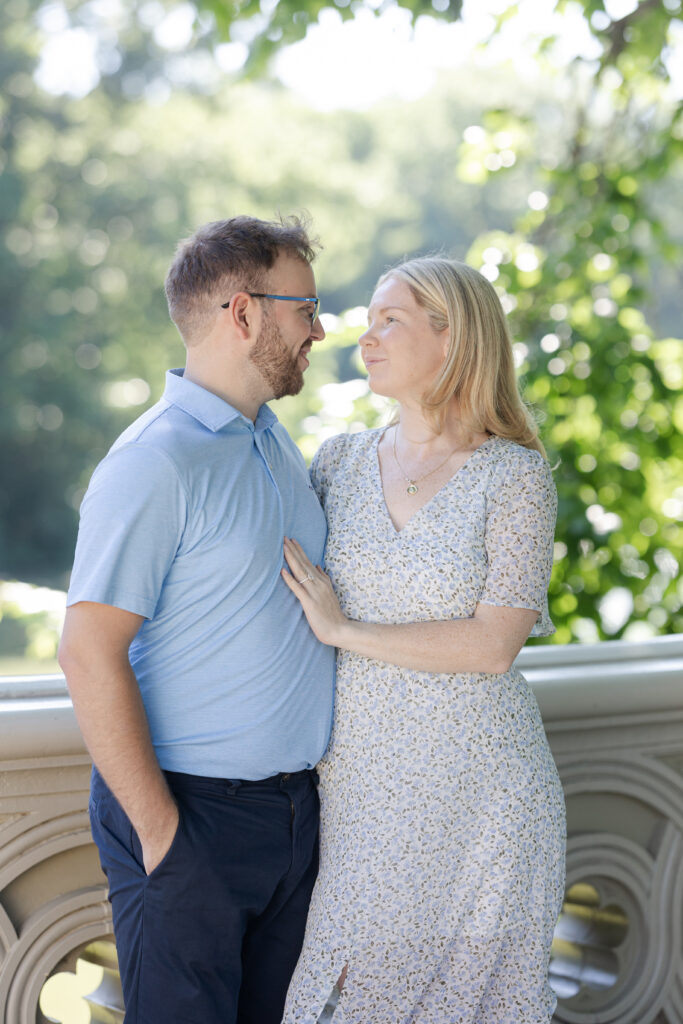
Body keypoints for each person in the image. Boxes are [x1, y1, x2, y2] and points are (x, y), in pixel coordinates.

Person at [58, 215, 335, 1024]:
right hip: (191, 817)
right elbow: (87, 653)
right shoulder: (154, 461)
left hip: (294, 817)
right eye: (303, 309)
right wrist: (163, 835)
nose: (319, 329)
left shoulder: (273, 441)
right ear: (242, 313)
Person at [280, 256, 566, 1024]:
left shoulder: (515, 478)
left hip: (485, 798)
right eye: (368, 321)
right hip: (363, 795)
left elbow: (492, 645)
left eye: (389, 321)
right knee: (335, 1003)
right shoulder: (337, 460)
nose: (364, 338)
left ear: (451, 336)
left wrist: (344, 629)